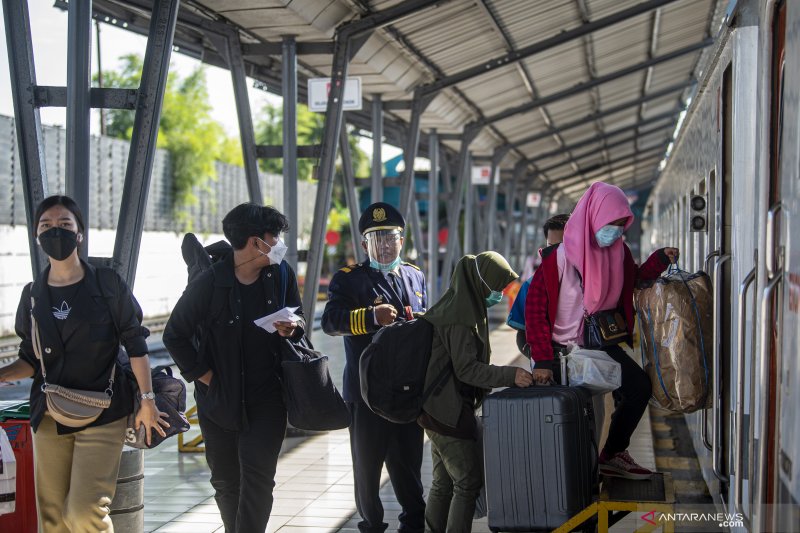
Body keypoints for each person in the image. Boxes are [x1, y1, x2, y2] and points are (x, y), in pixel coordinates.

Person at [0, 195, 167, 532]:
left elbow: (136, 345)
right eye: (46, 226)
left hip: (103, 411)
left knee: (84, 513)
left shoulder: (107, 285)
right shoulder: (33, 295)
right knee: (52, 517)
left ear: (79, 235)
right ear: (36, 235)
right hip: (49, 413)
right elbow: (31, 361)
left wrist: (147, 401)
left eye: (65, 225)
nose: (55, 232)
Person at [163, 203, 303, 532]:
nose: (280, 243)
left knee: (258, 482)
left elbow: (297, 316)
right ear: (256, 242)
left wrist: (292, 326)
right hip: (219, 401)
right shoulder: (211, 282)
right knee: (226, 482)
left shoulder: (281, 274)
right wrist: (208, 378)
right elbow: (175, 335)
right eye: (276, 236)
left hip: (268, 396)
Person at [524, 182, 679, 480]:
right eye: (612, 223)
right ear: (593, 217)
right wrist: (542, 360)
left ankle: (612, 453)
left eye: (622, 225)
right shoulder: (557, 259)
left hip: (600, 345)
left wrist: (659, 260)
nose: (616, 231)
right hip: (560, 353)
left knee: (638, 389)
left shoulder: (618, 253)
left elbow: (634, 279)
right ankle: (569, 482)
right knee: (573, 420)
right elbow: (535, 313)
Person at [322, 202, 427, 533]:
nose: (384, 244)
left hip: (408, 392)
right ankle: (372, 525)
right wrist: (370, 317)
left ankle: (412, 524)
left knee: (409, 464)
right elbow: (330, 322)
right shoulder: (349, 280)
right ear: (365, 244)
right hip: (366, 392)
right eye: (375, 238)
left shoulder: (414, 275)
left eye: (390, 237)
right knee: (367, 469)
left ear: (402, 239)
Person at [419, 251, 533, 532]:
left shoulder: (460, 307)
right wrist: (512, 374)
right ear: (480, 283)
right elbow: (466, 369)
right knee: (467, 482)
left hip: (438, 406)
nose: (498, 294)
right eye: (496, 287)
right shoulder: (458, 318)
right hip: (446, 410)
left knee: (444, 482)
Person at [508, 213, 570, 356]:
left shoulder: (591, 282)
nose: (557, 253)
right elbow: (522, 333)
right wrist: (541, 358)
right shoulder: (531, 286)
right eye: (551, 247)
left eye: (563, 246)